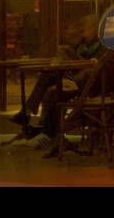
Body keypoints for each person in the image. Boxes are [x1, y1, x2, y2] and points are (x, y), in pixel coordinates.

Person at [11, 15, 103, 149]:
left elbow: (96, 68)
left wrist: (88, 63)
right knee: (50, 74)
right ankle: (40, 125)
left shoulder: (101, 45)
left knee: (52, 89)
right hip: (75, 76)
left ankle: (39, 125)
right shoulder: (83, 43)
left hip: (85, 82)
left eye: (85, 29)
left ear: (95, 29)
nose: (82, 32)